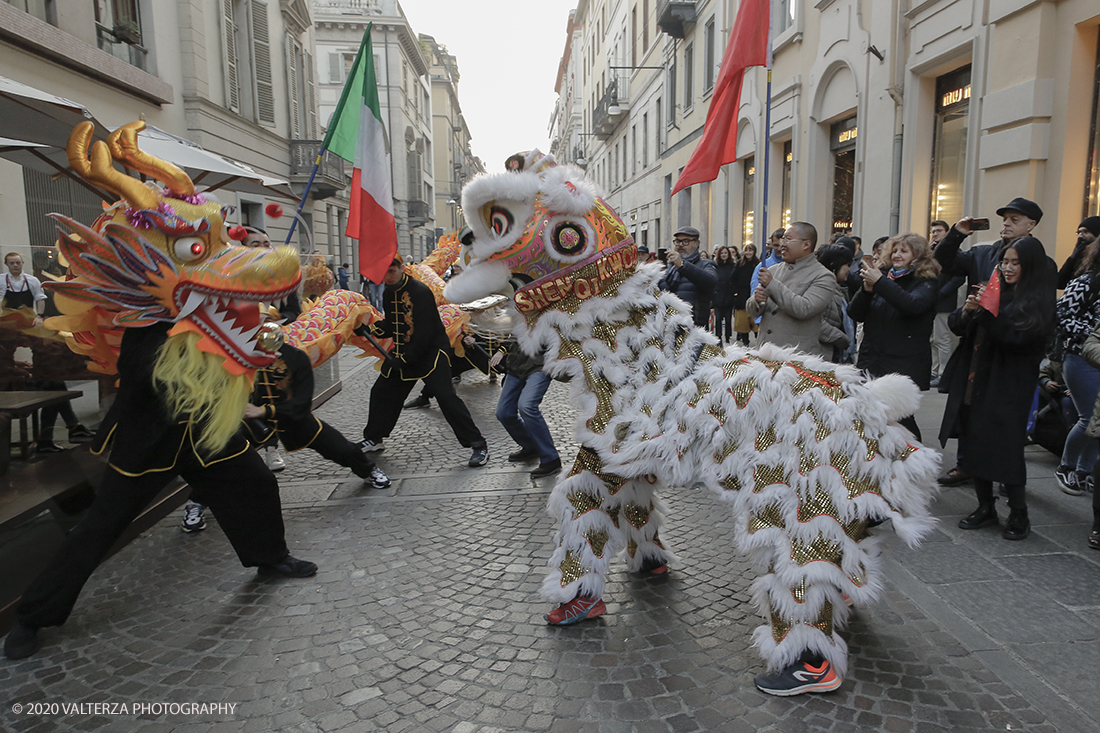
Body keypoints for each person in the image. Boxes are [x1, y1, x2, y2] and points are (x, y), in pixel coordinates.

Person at [181, 338, 391, 532]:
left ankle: (368, 470)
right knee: (222, 461)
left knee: (340, 447)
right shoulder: (236, 355)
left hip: (292, 418)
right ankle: (196, 503)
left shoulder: (295, 357)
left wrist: (264, 411)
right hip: (249, 421)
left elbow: (301, 403)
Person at [940, 237, 1056, 541]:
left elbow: (1017, 339)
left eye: (1015, 262)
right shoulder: (992, 289)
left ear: (1028, 265)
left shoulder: (1038, 298)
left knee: (1006, 448)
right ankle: (985, 507)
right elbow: (958, 326)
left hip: (1009, 384)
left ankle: (1019, 513)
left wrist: (988, 312)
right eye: (1005, 261)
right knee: (974, 442)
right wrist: (968, 310)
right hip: (975, 378)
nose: (1007, 267)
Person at [933, 197, 1051, 487]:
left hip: (1012, 350)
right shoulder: (983, 253)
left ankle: (1005, 481)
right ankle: (967, 466)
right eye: (1005, 218)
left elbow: (1038, 312)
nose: (1006, 223)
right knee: (969, 407)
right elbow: (944, 261)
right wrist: (956, 234)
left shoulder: (1042, 263)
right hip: (978, 343)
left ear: (1031, 225)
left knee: (1001, 419)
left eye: (1015, 219)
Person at [358, 255, 489, 467]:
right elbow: (393, 324)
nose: (387, 277)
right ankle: (374, 438)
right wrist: (370, 329)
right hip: (404, 355)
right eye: (383, 273)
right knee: (381, 391)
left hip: (431, 355)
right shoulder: (389, 292)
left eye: (391, 271)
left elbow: (425, 333)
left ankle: (478, 444)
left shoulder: (420, 292)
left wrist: (403, 359)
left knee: (446, 398)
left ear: (402, 268)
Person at [848, 233, 940, 440]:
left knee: (900, 417)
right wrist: (867, 290)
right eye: (895, 250)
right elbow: (855, 313)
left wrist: (880, 283)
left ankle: (914, 460)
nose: (897, 255)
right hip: (873, 357)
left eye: (904, 251)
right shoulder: (883, 276)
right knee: (870, 413)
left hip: (903, 361)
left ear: (917, 255)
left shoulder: (925, 281)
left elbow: (912, 305)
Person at [1052, 238, 1100, 495]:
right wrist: (1093, 333)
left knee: (1099, 422)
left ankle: (1084, 471)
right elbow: (1060, 316)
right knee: (1089, 417)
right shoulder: (1086, 281)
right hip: (1081, 358)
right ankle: (1067, 467)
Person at [746, 222, 835, 357]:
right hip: (765, 354)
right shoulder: (773, 270)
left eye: (788, 239)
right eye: (782, 239)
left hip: (797, 358)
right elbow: (752, 310)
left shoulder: (823, 276)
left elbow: (804, 308)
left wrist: (772, 285)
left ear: (806, 244)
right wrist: (756, 301)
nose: (782, 244)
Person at [496, 339, 561, 478]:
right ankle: (531, 446)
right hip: (516, 364)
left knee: (527, 406)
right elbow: (509, 333)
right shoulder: (516, 317)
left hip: (540, 364)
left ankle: (551, 458)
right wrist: (501, 350)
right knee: (504, 412)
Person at [929, 220, 965, 389]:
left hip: (944, 303)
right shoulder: (932, 252)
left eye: (938, 231)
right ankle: (934, 371)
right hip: (931, 302)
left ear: (947, 233)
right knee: (933, 339)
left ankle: (944, 372)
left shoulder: (954, 253)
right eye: (933, 231)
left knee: (942, 339)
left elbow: (958, 277)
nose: (934, 234)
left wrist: (941, 294)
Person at [658, 226, 717, 327]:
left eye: (686, 241)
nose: (680, 245)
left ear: (697, 243)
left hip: (694, 327)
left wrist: (682, 265)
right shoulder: (671, 269)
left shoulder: (706, 264)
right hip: (669, 326)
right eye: (677, 241)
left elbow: (711, 282)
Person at [240, 228, 302, 322]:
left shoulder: (283, 277)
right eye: (256, 245)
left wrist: (276, 317)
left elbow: (295, 313)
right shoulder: (234, 276)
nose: (263, 249)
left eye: (266, 245)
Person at [814, 244, 855, 364]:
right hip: (823, 356)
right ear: (834, 265)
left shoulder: (838, 289)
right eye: (847, 265)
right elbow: (815, 322)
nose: (849, 270)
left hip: (835, 354)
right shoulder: (823, 288)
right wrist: (841, 338)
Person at [1057, 217, 1100, 289]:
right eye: (1078, 233)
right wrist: (1073, 258)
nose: (1080, 236)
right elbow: (1060, 283)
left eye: (1085, 232)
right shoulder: (1080, 257)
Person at [710, 246, 739, 344]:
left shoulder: (733, 266)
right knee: (718, 319)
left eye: (725, 253)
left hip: (729, 295)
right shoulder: (716, 266)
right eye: (722, 253)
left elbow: (735, 280)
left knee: (728, 319)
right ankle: (718, 336)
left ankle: (727, 337)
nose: (724, 255)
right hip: (718, 295)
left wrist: (734, 292)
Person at [733, 244, 760, 345]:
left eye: (751, 250)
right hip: (742, 296)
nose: (748, 253)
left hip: (754, 294)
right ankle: (745, 342)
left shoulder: (758, 264)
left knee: (756, 323)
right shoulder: (740, 264)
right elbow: (733, 278)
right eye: (747, 250)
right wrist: (735, 291)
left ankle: (758, 341)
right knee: (743, 323)